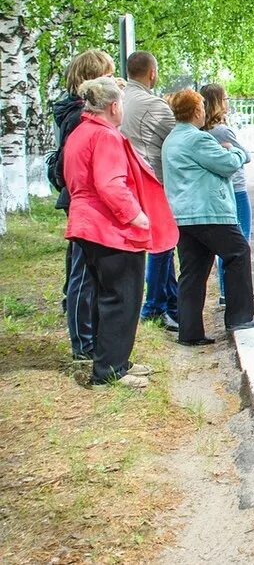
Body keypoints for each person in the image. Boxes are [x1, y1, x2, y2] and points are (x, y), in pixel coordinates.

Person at [64, 76, 177, 388]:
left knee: (104, 296)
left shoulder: (81, 131)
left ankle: (113, 361)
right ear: (114, 106)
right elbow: (110, 183)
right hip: (109, 229)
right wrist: (136, 215)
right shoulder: (106, 137)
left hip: (87, 225)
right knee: (122, 298)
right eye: (122, 104)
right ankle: (110, 371)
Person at [162, 90, 254, 344]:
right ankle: (239, 316)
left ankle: (190, 332)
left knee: (192, 272)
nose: (205, 111)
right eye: (202, 107)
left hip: (184, 215)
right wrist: (233, 151)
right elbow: (227, 164)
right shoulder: (197, 139)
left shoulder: (172, 139)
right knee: (238, 253)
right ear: (196, 111)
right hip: (209, 211)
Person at [51, 49, 116, 362]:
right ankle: (84, 345)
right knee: (84, 272)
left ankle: (89, 340)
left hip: (83, 196)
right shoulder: (79, 116)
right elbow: (74, 162)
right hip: (85, 197)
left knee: (86, 271)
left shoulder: (75, 112)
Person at [121, 51, 180, 331]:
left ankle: (172, 303)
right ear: (152, 73)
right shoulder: (153, 105)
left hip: (128, 177)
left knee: (161, 244)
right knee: (162, 244)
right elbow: (178, 137)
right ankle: (155, 305)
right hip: (151, 179)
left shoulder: (121, 98)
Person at [200, 84, 252, 307]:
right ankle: (230, 291)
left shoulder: (202, 131)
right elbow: (246, 156)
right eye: (225, 98)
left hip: (217, 189)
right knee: (240, 241)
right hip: (236, 188)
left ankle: (224, 290)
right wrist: (234, 150)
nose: (228, 102)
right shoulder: (222, 130)